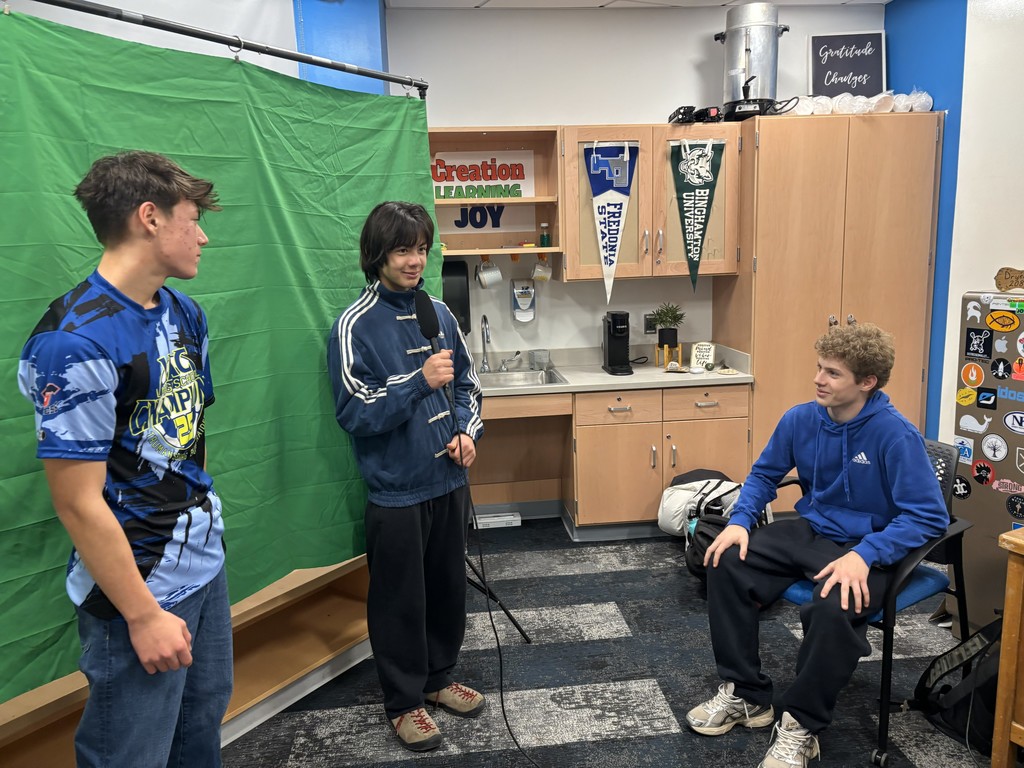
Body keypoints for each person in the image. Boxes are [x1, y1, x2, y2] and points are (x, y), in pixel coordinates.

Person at [17, 151, 231, 768]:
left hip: (203, 559)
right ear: (150, 218)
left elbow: (182, 442)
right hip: (136, 584)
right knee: (131, 752)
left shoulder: (184, 312)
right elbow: (77, 501)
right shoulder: (73, 341)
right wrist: (142, 616)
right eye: (193, 219)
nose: (203, 235)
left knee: (200, 726)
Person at [685, 323, 948, 768]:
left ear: (867, 382)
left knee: (833, 602)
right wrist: (741, 521)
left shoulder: (894, 435)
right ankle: (747, 695)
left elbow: (928, 517)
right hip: (811, 530)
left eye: (832, 373)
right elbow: (766, 474)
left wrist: (864, 555)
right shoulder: (801, 418)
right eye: (819, 368)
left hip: (870, 545)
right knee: (727, 559)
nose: (818, 380)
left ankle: (802, 725)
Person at [326, 201, 485, 752]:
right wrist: (417, 381)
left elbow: (467, 384)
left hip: (448, 482)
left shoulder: (438, 313)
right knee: (400, 600)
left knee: (446, 590)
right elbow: (354, 411)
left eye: (421, 248)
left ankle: (439, 679)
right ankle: (404, 702)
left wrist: (468, 433)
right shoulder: (353, 325)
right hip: (396, 492)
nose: (415, 260)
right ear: (378, 255)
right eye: (403, 250)